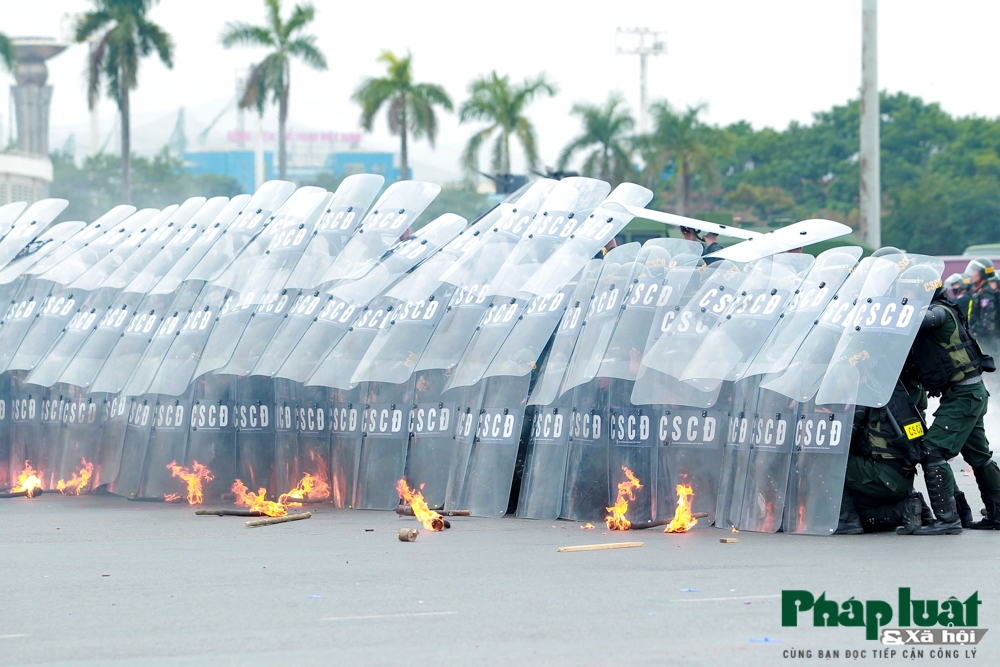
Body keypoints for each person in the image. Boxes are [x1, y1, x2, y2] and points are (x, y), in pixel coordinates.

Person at [902, 269, 1000, 534]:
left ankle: (948, 520)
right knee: (979, 457)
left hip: (964, 395)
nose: (906, 295)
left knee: (933, 451)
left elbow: (921, 319)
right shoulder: (939, 308)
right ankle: (997, 514)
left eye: (910, 290)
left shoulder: (940, 312)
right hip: (967, 393)